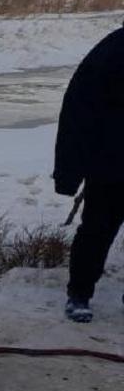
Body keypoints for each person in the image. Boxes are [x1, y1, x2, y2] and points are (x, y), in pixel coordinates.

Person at [53, 21, 124, 323]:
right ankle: (79, 294)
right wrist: (68, 172)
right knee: (96, 230)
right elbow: (77, 110)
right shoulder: (112, 51)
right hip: (110, 165)